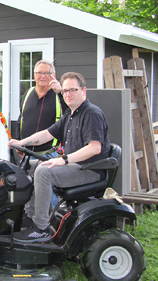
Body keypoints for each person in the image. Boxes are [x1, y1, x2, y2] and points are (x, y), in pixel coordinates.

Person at [8, 72, 110, 242]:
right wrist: (21, 142)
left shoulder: (91, 113)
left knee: (43, 172)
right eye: (65, 91)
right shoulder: (70, 115)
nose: (68, 94)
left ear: (83, 91)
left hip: (89, 169)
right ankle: (30, 215)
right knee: (29, 166)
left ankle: (41, 228)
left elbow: (94, 148)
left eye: (73, 90)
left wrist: (65, 159)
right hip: (75, 166)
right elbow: (47, 134)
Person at [14, 60, 68, 212]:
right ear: (34, 75)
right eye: (39, 73)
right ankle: (33, 223)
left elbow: (71, 114)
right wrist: (19, 142)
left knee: (49, 195)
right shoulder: (28, 94)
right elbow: (21, 119)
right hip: (28, 155)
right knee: (30, 194)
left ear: (54, 76)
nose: (43, 76)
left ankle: (53, 225)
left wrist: (62, 92)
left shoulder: (59, 95)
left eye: (47, 73)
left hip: (48, 155)